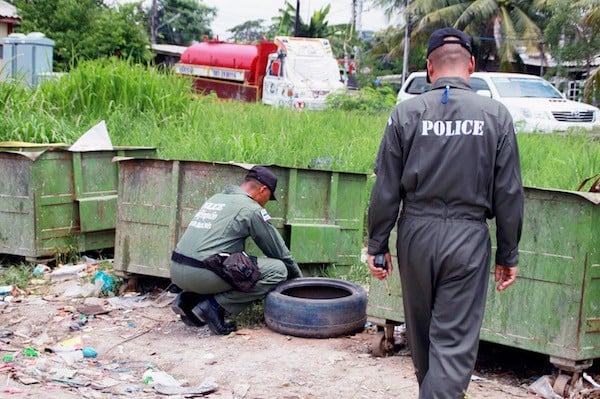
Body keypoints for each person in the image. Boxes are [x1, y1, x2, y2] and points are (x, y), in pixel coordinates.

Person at [367, 27, 524, 399]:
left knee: (421, 338)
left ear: (428, 69)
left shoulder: (405, 113)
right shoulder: (496, 116)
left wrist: (377, 244)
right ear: (471, 65)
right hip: (468, 238)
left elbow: (386, 188)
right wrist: (508, 253)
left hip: (415, 234)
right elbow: (509, 192)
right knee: (452, 346)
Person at [170, 165, 302, 335]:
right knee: (278, 270)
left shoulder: (216, 198)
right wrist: (298, 281)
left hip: (177, 271)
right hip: (202, 275)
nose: (267, 203)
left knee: (234, 260)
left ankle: (189, 299)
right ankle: (214, 306)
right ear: (262, 190)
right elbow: (278, 252)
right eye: (269, 197)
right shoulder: (252, 209)